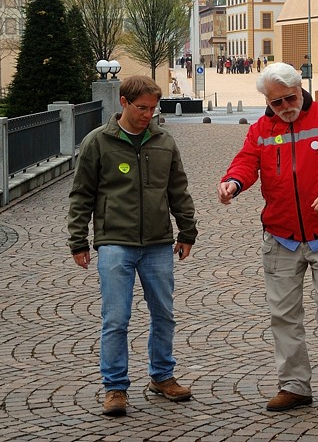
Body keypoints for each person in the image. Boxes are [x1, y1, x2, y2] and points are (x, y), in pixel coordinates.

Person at [217, 62, 318, 411]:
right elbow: (246, 162)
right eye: (276, 103)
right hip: (280, 236)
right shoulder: (261, 130)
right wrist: (233, 183)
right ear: (267, 103)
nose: (285, 107)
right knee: (283, 315)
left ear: (301, 90)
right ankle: (295, 384)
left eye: (290, 98)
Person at [67, 75, 198, 417]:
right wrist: (77, 240)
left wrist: (187, 231)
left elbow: (178, 191)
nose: (147, 115)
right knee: (116, 318)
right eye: (141, 108)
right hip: (114, 243)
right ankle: (114, 388)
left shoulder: (164, 142)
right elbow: (82, 194)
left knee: (164, 315)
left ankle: (162, 376)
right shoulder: (98, 142)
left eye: (153, 108)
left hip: (158, 242)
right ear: (123, 103)